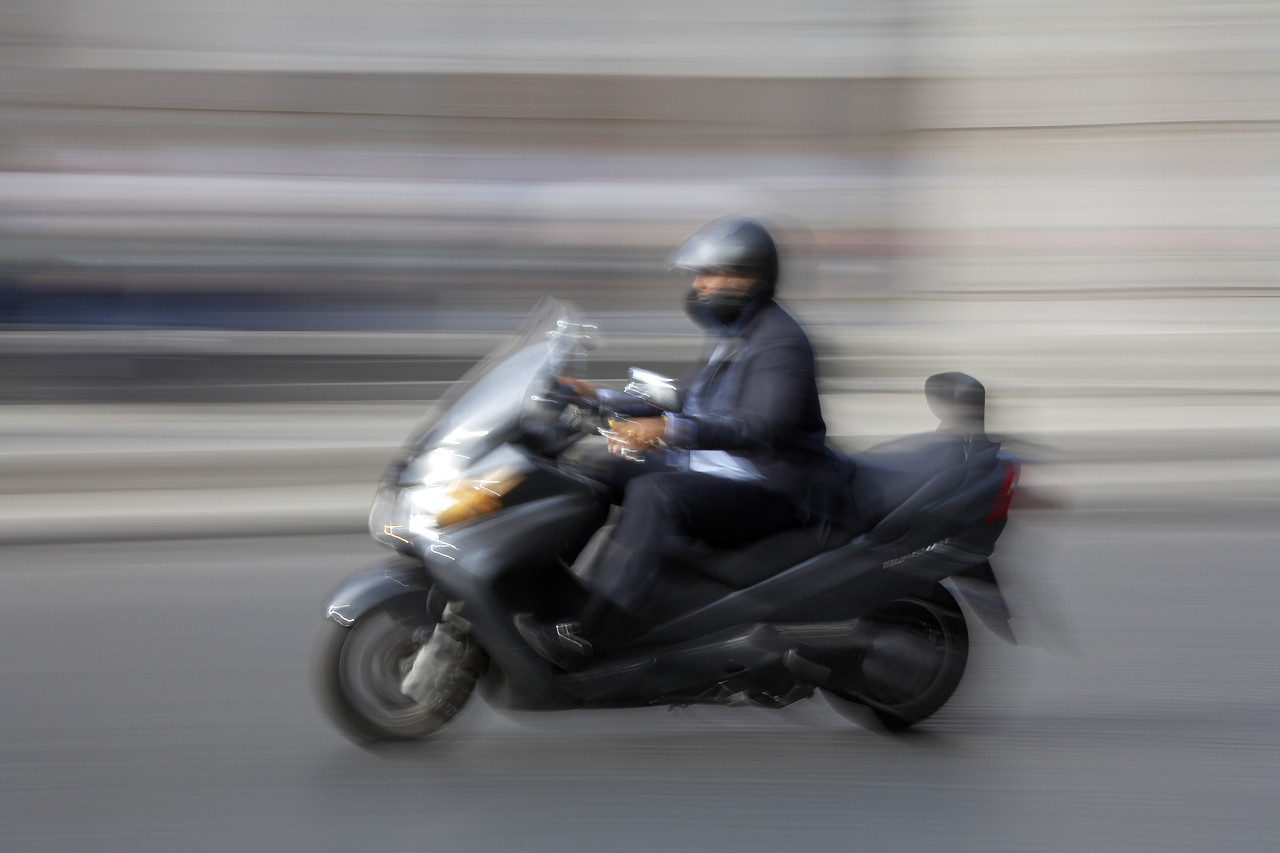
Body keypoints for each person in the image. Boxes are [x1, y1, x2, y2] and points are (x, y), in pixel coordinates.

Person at [515, 216, 855, 669]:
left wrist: (668, 431)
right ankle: (546, 592)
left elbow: (761, 427)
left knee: (657, 495)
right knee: (597, 471)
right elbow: (688, 397)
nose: (699, 285)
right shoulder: (736, 335)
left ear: (747, 276)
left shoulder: (782, 341)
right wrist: (597, 394)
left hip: (773, 489)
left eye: (710, 274)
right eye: (699, 275)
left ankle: (597, 634)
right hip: (718, 470)